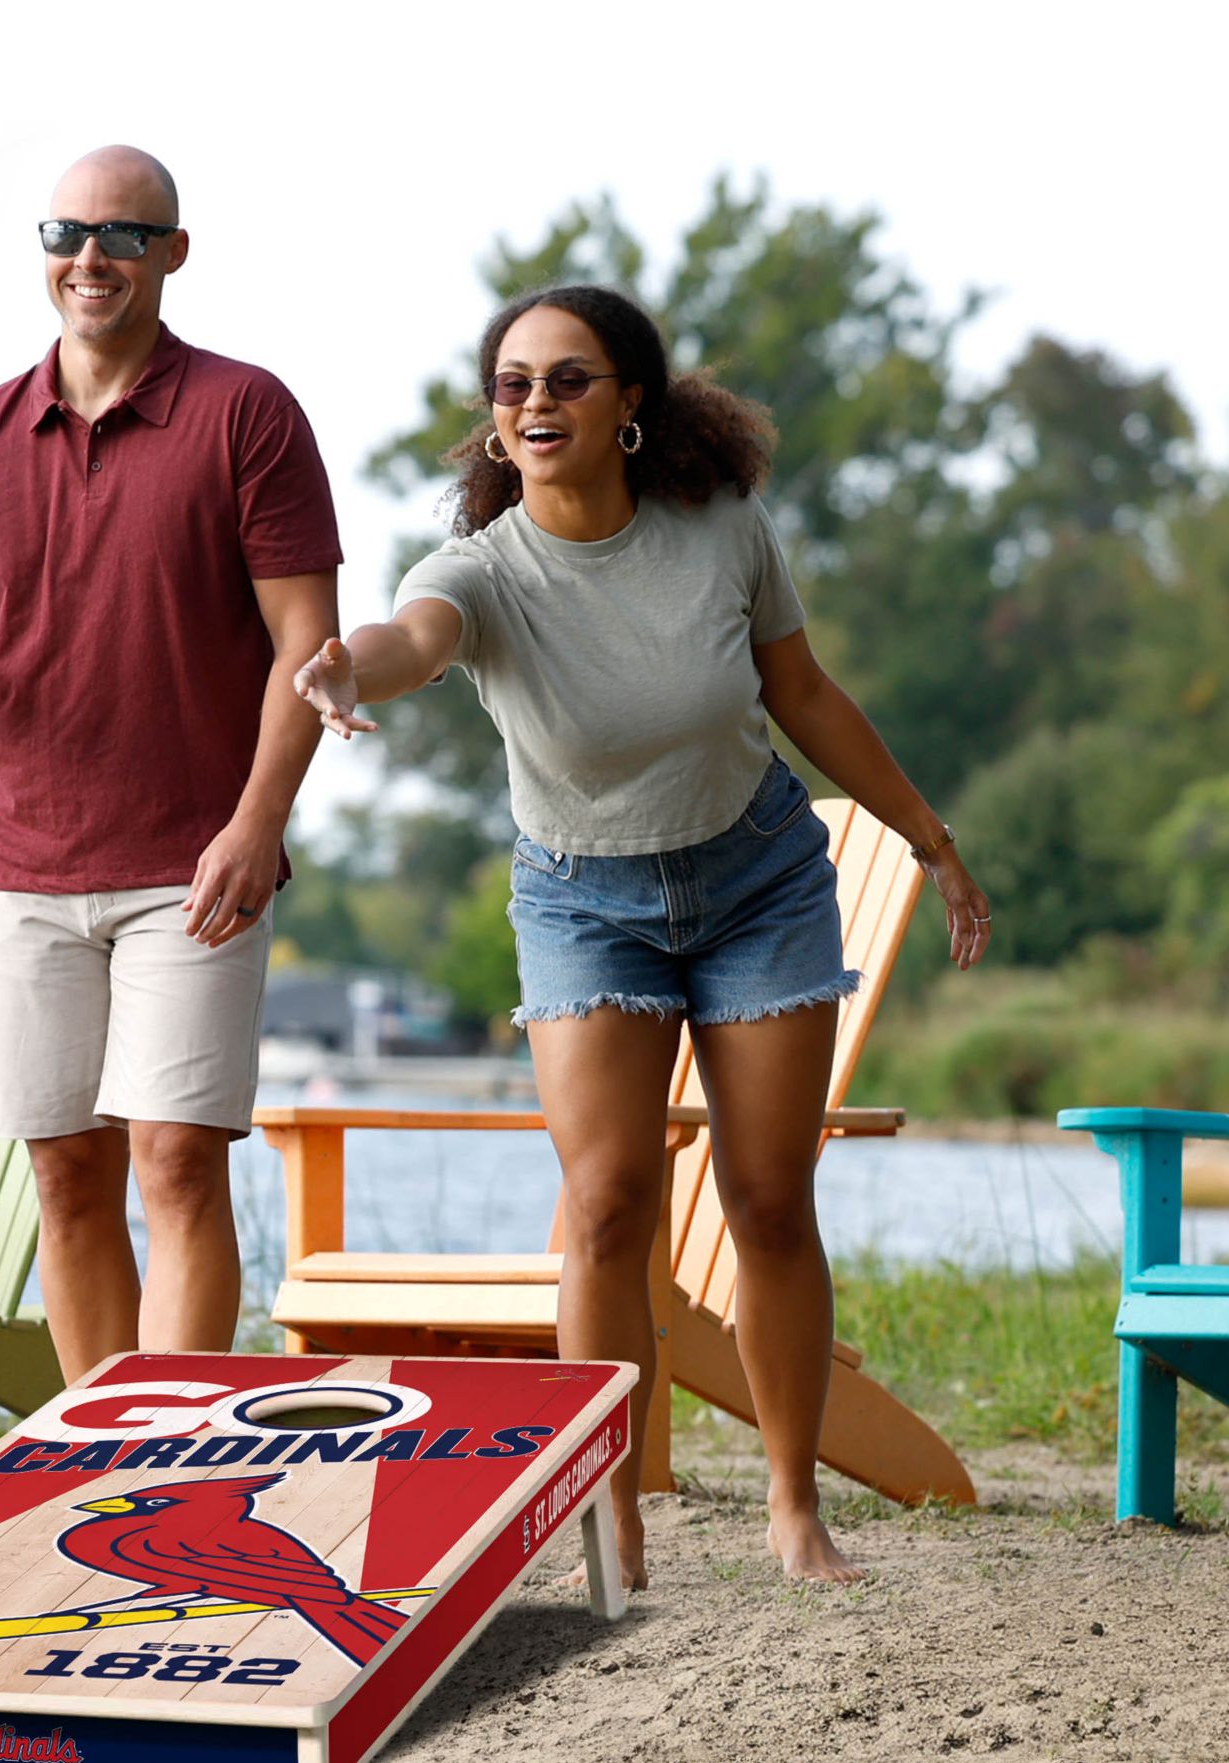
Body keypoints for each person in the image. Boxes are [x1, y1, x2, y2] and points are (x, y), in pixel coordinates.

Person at [293, 284, 990, 1586]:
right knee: (608, 1203)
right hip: (581, 903)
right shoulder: (481, 572)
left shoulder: (721, 530)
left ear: (629, 405)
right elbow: (410, 639)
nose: (538, 403)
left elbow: (803, 693)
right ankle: (608, 1517)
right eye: (513, 385)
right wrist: (346, 671)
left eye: (567, 378)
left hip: (759, 884)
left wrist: (924, 834)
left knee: (770, 1201)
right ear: (494, 425)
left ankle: (793, 1511)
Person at [0, 146, 341, 1385]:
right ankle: (100, 1470)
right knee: (64, 1170)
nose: (91, 257)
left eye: (122, 234)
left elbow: (306, 648)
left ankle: (170, 1463)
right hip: (24, 865)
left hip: (195, 865)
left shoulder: (244, 414)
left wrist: (256, 821)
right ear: (44, 250)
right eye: (68, 232)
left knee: (174, 1157)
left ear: (173, 251)